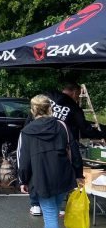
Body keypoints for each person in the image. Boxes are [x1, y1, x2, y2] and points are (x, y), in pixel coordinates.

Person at [17, 94, 80, 228]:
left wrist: (23, 180)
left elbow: (23, 160)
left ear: (32, 110)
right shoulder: (62, 126)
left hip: (42, 177)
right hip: (63, 175)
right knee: (53, 210)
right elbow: (74, 150)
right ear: (49, 108)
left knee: (50, 214)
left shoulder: (27, 131)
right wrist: (78, 173)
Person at [27, 82, 94, 215]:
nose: (78, 97)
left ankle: (36, 204)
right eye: (78, 94)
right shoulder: (73, 108)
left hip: (36, 138)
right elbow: (84, 128)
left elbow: (30, 118)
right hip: (59, 143)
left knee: (37, 169)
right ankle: (53, 205)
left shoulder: (46, 96)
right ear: (75, 92)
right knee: (58, 170)